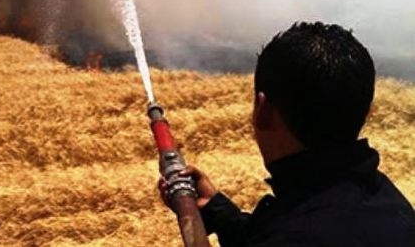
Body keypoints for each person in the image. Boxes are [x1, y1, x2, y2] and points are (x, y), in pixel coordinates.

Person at [158, 22, 415, 246]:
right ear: (368, 112)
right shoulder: (385, 199)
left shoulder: (298, 231)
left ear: (263, 111)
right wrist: (219, 212)